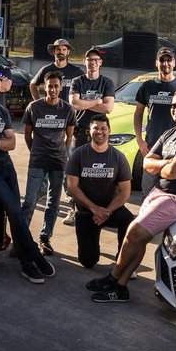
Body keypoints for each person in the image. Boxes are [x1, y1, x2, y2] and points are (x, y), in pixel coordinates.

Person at [89, 90, 176, 303]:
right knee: (136, 237)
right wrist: (167, 162)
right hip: (160, 193)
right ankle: (119, 283)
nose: (175, 110)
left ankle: (116, 280)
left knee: (134, 233)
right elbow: (147, 163)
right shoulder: (170, 134)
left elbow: (175, 173)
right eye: (173, 105)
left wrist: (163, 165)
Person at [0, 70, 56, 284]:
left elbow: (12, 143)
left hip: (6, 165)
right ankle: (32, 255)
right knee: (14, 209)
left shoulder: (2, 110)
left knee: (16, 211)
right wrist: (0, 143)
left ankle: (27, 262)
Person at [66, 113, 133, 269]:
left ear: (109, 130)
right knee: (88, 261)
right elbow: (72, 186)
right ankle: (93, 244)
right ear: (90, 130)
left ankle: (122, 260)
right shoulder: (78, 154)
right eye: (96, 128)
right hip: (86, 211)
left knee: (128, 219)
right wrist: (94, 209)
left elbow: (125, 192)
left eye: (103, 128)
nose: (100, 131)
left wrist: (106, 211)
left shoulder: (118, 157)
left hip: (110, 210)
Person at [20, 71, 75, 255]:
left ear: (61, 87)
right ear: (44, 86)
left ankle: (45, 238)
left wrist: (59, 152)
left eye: (56, 86)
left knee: (53, 203)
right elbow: (27, 135)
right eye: (49, 86)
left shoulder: (67, 109)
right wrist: (36, 151)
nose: (52, 89)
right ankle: (22, 240)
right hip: (37, 161)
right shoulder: (34, 107)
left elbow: (69, 137)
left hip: (58, 163)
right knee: (29, 201)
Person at [133, 47, 176, 188]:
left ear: (174, 63)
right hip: (152, 146)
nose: (165, 63)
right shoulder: (147, 86)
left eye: (168, 60)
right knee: (148, 189)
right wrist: (139, 140)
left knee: (172, 189)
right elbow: (138, 114)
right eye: (162, 60)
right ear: (156, 63)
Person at [68, 48, 115, 147]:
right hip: (81, 132)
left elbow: (108, 108)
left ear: (100, 62)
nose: (93, 62)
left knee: (99, 162)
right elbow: (75, 104)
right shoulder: (77, 81)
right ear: (84, 62)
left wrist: (83, 103)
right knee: (77, 161)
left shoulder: (107, 82)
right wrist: (98, 100)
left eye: (96, 60)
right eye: (89, 60)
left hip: (100, 133)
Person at [30, 38, 83, 102]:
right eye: (58, 49)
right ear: (53, 51)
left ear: (68, 52)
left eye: (64, 49)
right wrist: (38, 102)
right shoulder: (46, 69)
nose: (61, 52)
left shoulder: (76, 71)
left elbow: (86, 84)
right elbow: (32, 84)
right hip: (50, 109)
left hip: (68, 110)